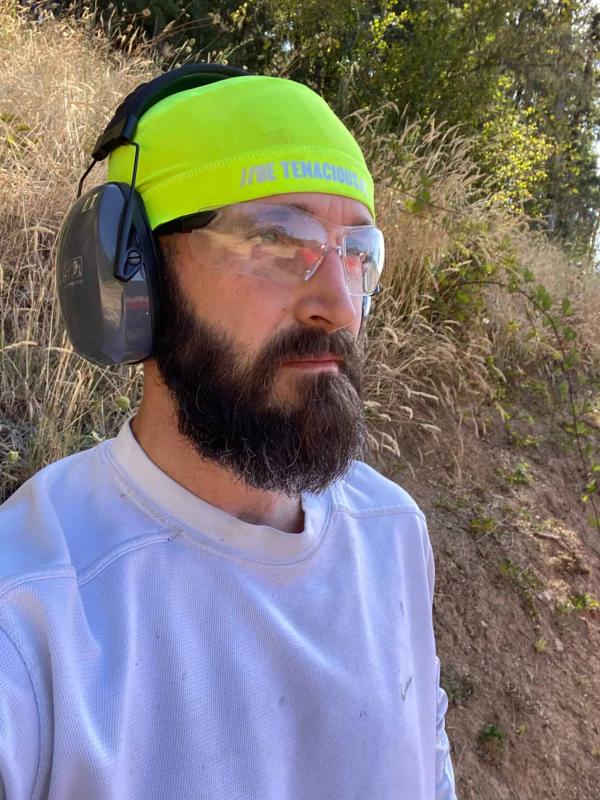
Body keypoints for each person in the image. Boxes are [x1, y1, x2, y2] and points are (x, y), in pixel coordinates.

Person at [0, 65, 457, 799]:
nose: (338, 305)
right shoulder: (29, 622)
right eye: (280, 240)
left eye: (357, 253)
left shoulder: (392, 534)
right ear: (133, 281)